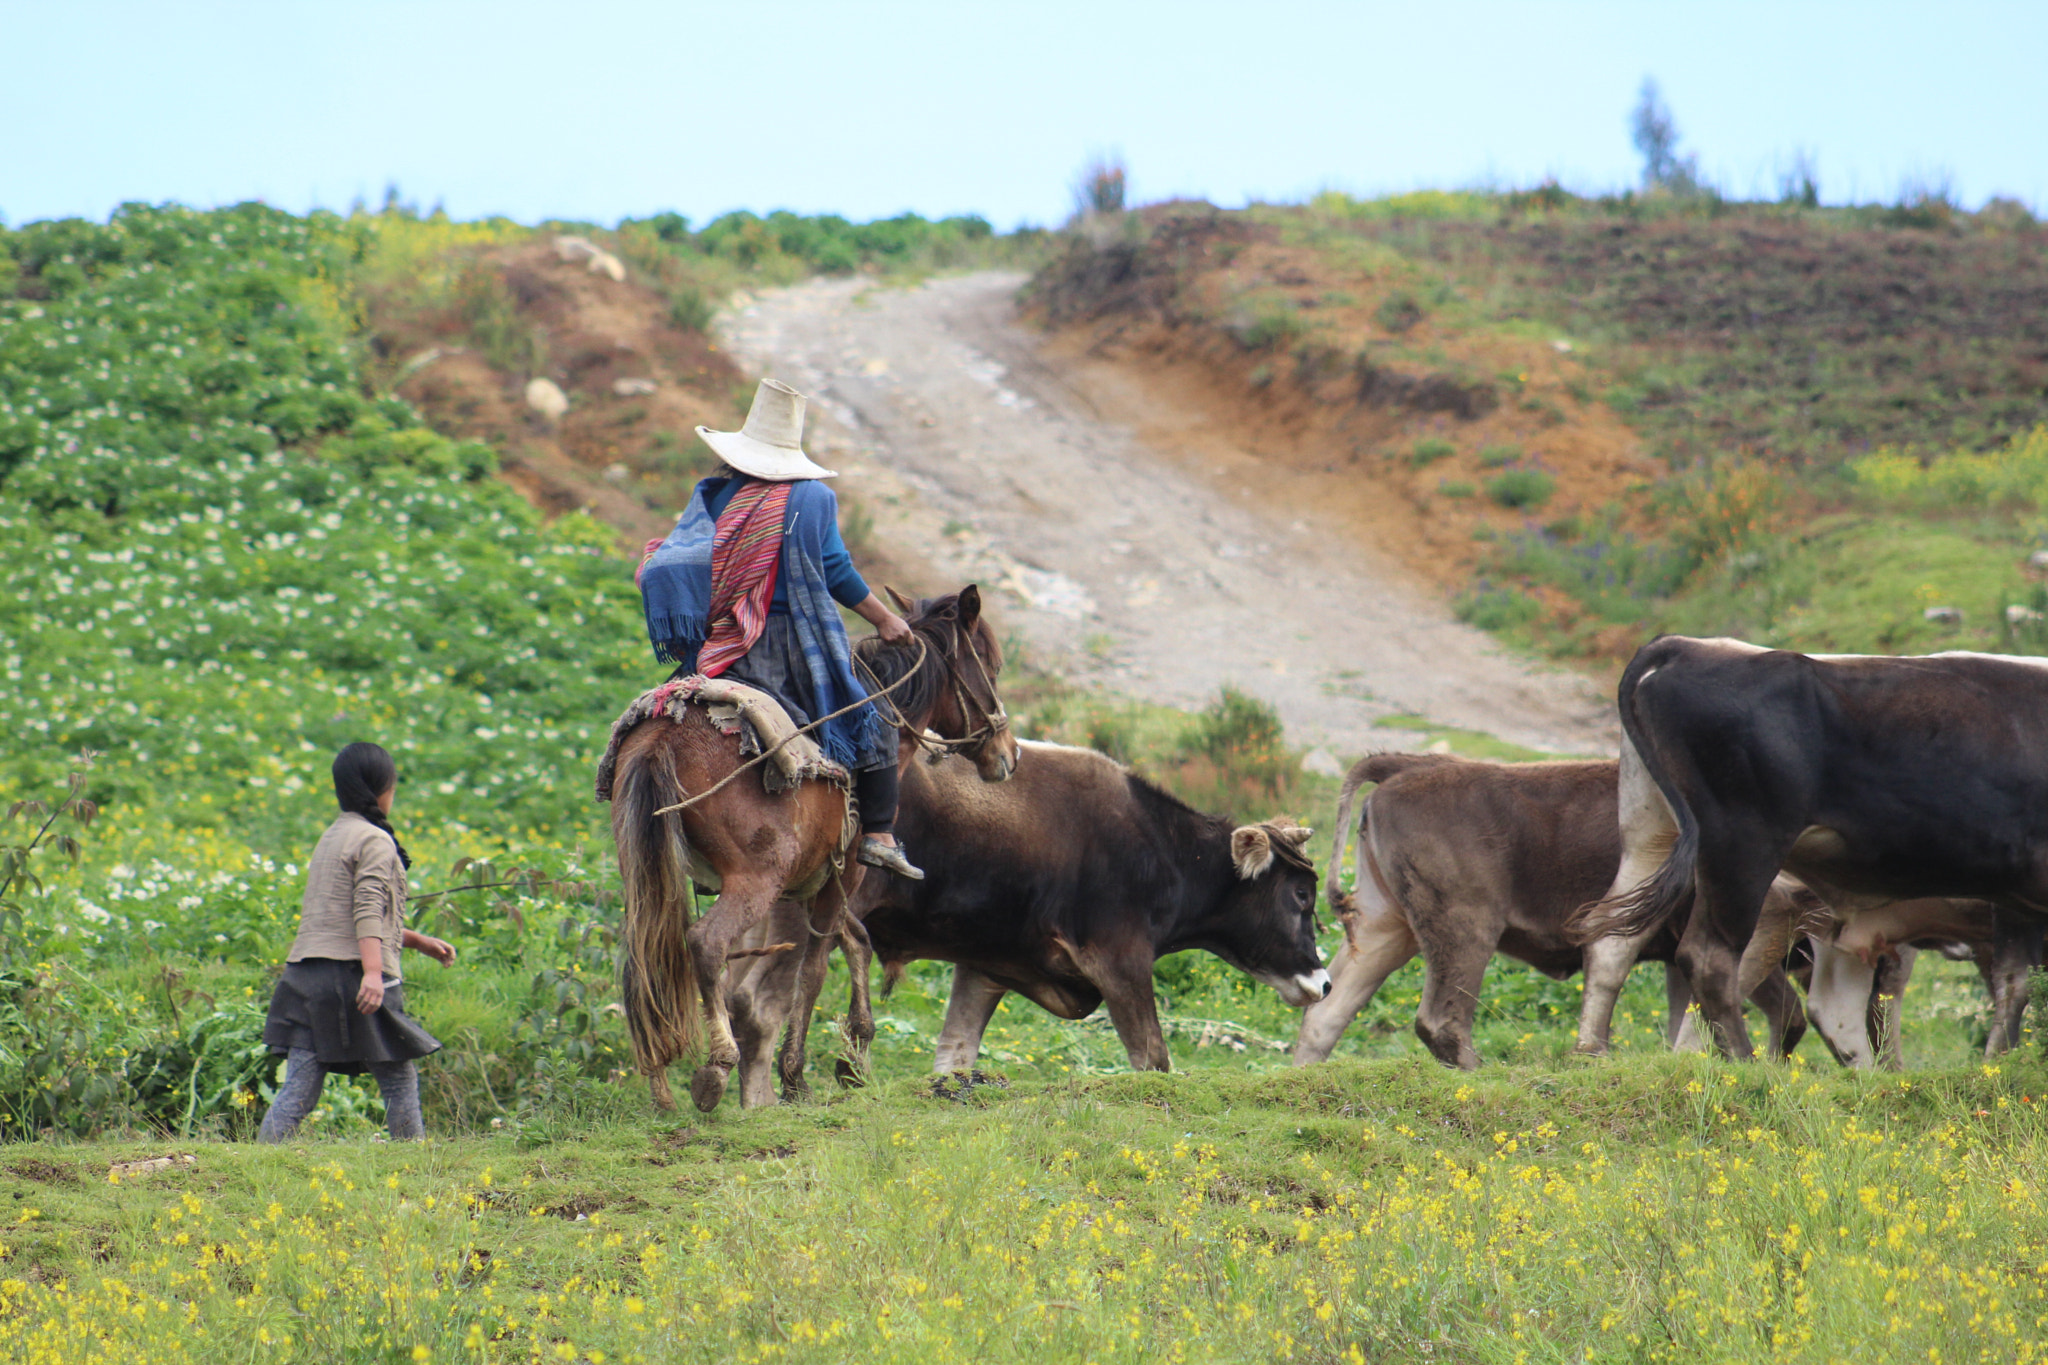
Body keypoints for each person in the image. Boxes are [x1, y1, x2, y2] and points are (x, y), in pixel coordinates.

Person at [636, 377, 924, 879]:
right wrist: (886, 619)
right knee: (872, 724)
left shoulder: (712, 494)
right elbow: (834, 570)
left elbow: (687, 558)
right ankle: (878, 835)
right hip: (790, 648)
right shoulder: (812, 500)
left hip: (718, 647)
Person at [257, 742, 456, 1143]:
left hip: (308, 977)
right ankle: (411, 1162)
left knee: (299, 1086)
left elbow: (340, 914)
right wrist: (372, 972)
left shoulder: (333, 836)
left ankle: (261, 1160)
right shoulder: (375, 840)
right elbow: (365, 907)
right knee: (399, 1079)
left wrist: (416, 942)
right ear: (382, 789)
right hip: (352, 974)